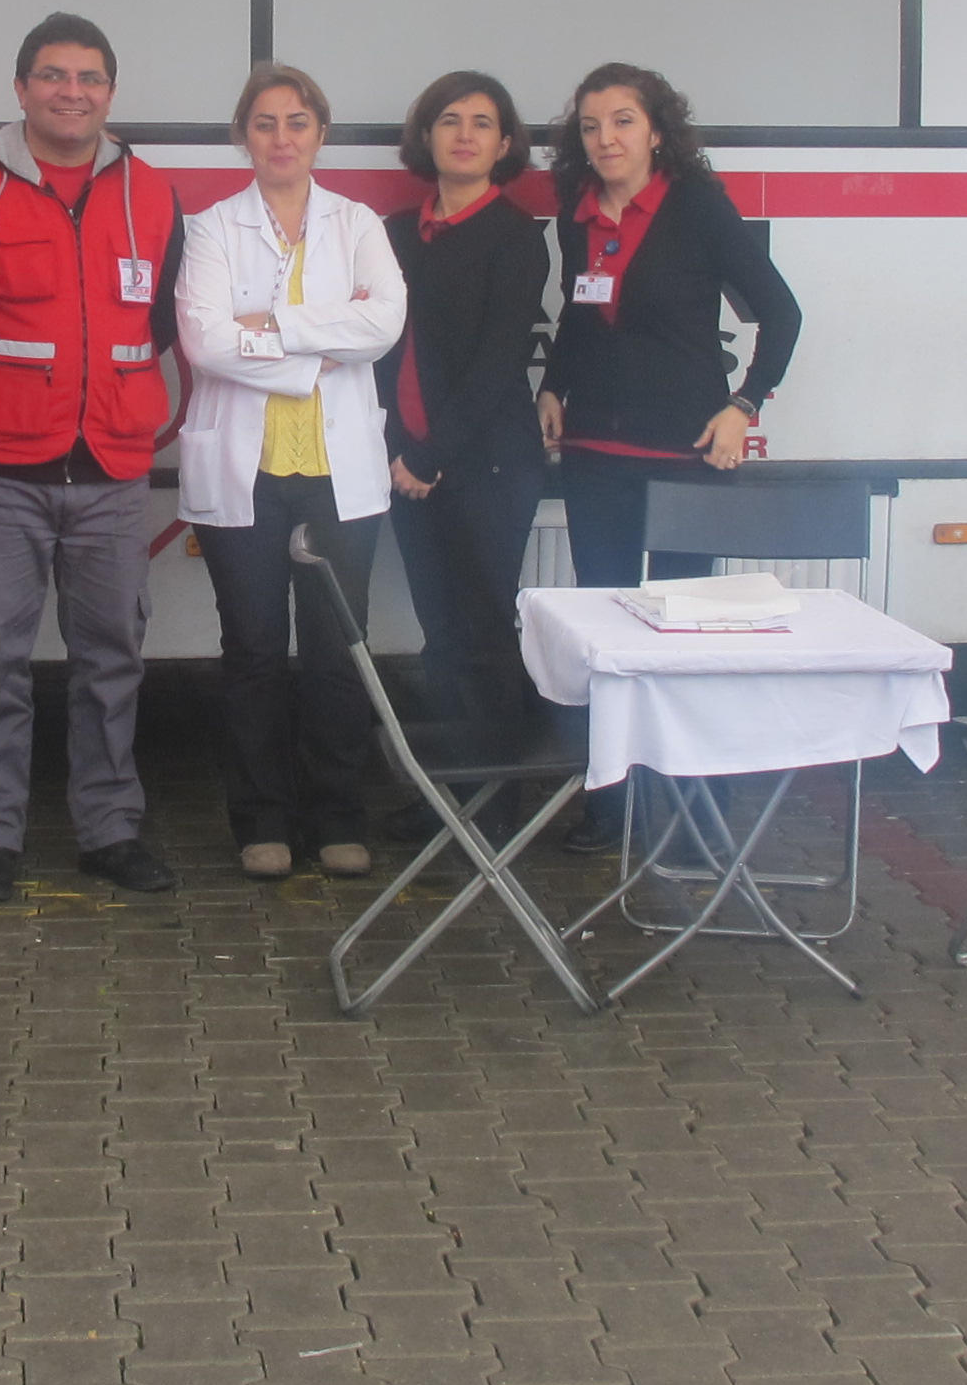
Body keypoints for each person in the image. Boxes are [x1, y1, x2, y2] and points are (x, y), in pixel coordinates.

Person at [0, 12, 187, 905]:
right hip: (2, 469)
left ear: (111, 91)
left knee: (112, 657)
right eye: (55, 76)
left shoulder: (153, 192)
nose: (74, 93)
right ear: (21, 86)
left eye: (91, 78)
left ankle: (109, 828)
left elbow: (163, 321)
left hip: (110, 467)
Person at [537, 62, 803, 848]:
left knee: (690, 633)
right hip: (593, 449)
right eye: (591, 126)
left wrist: (743, 404)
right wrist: (553, 386)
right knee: (608, 635)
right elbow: (582, 319)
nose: (606, 138)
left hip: (685, 448)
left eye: (622, 121)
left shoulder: (697, 208)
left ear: (657, 129)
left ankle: (695, 802)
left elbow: (782, 315)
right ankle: (611, 804)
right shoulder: (575, 211)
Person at [176, 62, 408, 880]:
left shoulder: (358, 222)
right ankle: (263, 819)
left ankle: (340, 815)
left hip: (339, 471)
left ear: (321, 134)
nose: (282, 138)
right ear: (245, 135)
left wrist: (270, 326)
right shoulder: (210, 228)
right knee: (254, 651)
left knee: (340, 649)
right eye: (266, 123)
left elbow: (383, 324)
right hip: (247, 472)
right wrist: (317, 348)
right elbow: (204, 342)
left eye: (298, 122)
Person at [382, 72, 552, 758]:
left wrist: (429, 455)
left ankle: (497, 800)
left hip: (487, 464)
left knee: (484, 631)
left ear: (504, 144)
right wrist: (401, 451)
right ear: (427, 134)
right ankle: (445, 792)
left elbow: (496, 365)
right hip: (409, 464)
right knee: (439, 632)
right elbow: (379, 353)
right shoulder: (394, 234)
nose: (464, 135)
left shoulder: (515, 238)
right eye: (450, 120)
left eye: (483, 123)